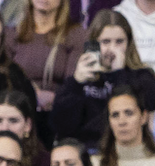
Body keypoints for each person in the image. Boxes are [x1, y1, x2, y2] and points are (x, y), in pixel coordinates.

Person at [52, 10, 155, 146]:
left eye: (119, 42)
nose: (112, 49)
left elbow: (133, 119)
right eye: (105, 42)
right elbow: (62, 127)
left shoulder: (143, 77)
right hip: (87, 151)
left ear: (128, 44)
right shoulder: (81, 78)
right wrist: (75, 83)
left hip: (127, 148)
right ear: (94, 43)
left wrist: (119, 75)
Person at [7, 0, 84, 112]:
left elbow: (73, 83)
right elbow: (5, 78)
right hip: (17, 107)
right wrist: (33, 95)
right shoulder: (13, 34)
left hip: (58, 111)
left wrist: (55, 98)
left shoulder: (75, 35)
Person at [96, 88, 155, 166]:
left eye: (129, 113)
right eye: (115, 115)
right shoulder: (95, 165)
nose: (122, 122)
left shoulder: (153, 165)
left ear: (143, 117)